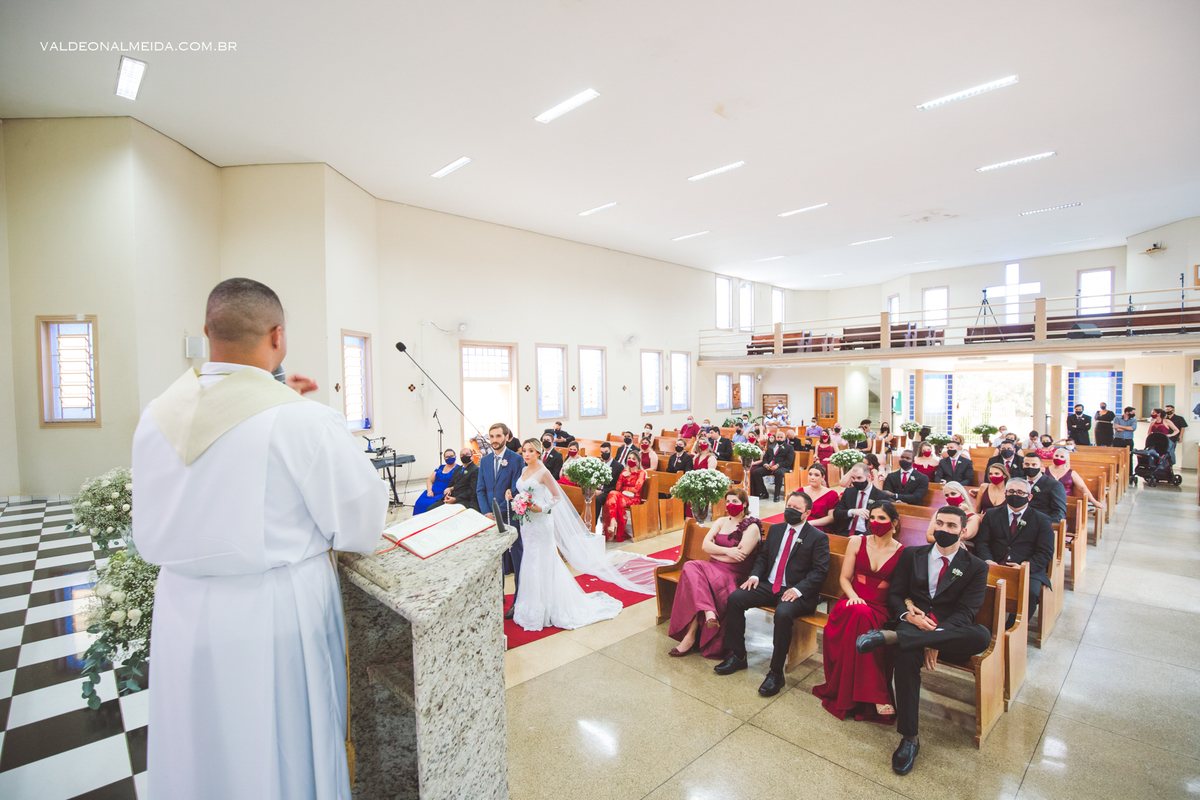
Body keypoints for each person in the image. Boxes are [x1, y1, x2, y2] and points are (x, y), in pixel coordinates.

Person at [132, 277, 388, 800]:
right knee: (278, 752)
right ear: (279, 336)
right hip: (274, 615)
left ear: (207, 332)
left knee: (198, 749)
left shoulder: (155, 416)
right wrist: (288, 410)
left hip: (182, 613)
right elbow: (360, 523)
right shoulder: (304, 421)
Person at [855, 505, 991, 776]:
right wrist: (907, 614)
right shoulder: (912, 554)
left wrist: (933, 639)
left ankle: (893, 637)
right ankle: (909, 739)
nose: (944, 530)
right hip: (913, 625)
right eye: (939, 523)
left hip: (946, 634)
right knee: (904, 658)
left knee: (981, 636)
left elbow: (966, 612)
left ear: (963, 531)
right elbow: (896, 595)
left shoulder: (975, 567)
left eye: (952, 526)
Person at [511, 439, 664, 632]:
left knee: (543, 558)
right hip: (528, 524)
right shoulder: (524, 471)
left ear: (538, 453)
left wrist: (542, 508)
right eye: (524, 451)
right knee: (530, 558)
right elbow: (523, 492)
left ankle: (549, 605)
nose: (526, 454)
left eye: (531, 451)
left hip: (541, 522)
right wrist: (516, 499)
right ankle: (531, 603)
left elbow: (556, 496)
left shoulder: (544, 472)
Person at [714, 492, 830, 697]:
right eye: (788, 506)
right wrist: (756, 576)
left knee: (783, 614)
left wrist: (798, 589)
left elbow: (819, 571)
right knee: (735, 599)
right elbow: (763, 557)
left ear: (807, 513)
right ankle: (738, 655)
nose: (790, 511)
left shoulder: (818, 538)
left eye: (796, 508)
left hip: (797, 591)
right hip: (770, 585)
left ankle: (776, 672)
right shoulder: (776, 529)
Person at [812, 502, 905, 723]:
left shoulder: (902, 552)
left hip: (881, 609)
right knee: (859, 614)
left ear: (894, 523)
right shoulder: (857, 541)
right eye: (872, 517)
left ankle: (861, 695)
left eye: (881, 518)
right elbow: (844, 578)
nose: (875, 523)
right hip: (852, 601)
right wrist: (853, 596)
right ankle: (878, 695)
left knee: (863, 618)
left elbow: (900, 590)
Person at [667, 488, 762, 658]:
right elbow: (705, 546)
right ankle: (707, 613)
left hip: (733, 574)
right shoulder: (721, 521)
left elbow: (738, 559)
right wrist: (727, 551)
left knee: (694, 573)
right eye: (728, 501)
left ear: (744, 504)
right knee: (690, 567)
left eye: (735, 502)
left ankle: (690, 636)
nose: (730, 505)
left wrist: (717, 553)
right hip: (712, 568)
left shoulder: (752, 526)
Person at [975, 478, 1054, 614]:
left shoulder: (1041, 520)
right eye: (1011, 491)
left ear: (1029, 497)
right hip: (995, 564)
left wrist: (1025, 567)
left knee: (1030, 593)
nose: (1015, 495)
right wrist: (988, 561)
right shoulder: (992, 514)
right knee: (975, 587)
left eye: (1020, 492)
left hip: (1027, 568)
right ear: (1005, 494)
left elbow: (1045, 552)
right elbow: (982, 542)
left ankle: (1012, 629)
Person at [478, 423, 526, 618]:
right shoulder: (485, 461)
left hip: (511, 516)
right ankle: (497, 597)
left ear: (506, 437)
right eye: (492, 436)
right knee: (494, 559)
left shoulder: (516, 459)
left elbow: (517, 488)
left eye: (498, 436)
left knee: (516, 558)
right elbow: (481, 489)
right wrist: (487, 512)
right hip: (491, 518)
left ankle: (518, 600)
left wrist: (505, 508)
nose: (495, 440)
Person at [833, 463, 890, 535]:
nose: (855, 481)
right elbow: (837, 513)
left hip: (867, 534)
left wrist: (861, 537)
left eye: (859, 478)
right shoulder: (849, 492)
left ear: (869, 477)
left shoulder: (881, 496)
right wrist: (852, 512)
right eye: (853, 478)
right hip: (846, 531)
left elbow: (881, 523)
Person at [603, 455, 646, 541]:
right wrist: (623, 476)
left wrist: (624, 488)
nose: (631, 460)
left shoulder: (641, 472)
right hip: (623, 496)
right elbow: (617, 488)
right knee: (612, 494)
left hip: (634, 498)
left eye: (634, 459)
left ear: (638, 462)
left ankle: (613, 527)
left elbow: (636, 489)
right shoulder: (624, 472)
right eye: (629, 458)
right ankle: (613, 522)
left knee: (612, 499)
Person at [1022, 452, 1067, 525]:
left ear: (1041, 466)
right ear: (1023, 465)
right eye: (1027, 464)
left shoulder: (1054, 485)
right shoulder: (1018, 482)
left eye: (1034, 465)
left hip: (1041, 524)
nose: (1030, 467)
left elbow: (1059, 513)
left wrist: (1045, 526)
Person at [413, 449, 462, 515]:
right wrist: (429, 491)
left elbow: (460, 483)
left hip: (444, 493)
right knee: (419, 503)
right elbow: (429, 480)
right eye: (447, 457)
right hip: (432, 492)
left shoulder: (459, 469)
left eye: (451, 456)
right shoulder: (440, 467)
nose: (449, 458)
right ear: (444, 458)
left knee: (432, 505)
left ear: (455, 457)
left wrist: (451, 488)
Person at [750, 430, 795, 501]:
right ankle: (764, 492)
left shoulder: (789, 448)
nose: (779, 439)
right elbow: (765, 458)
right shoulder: (771, 446)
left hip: (781, 467)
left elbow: (789, 461)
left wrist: (778, 465)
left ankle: (777, 495)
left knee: (778, 473)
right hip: (769, 467)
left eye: (781, 437)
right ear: (776, 438)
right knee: (756, 472)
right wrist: (765, 464)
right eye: (778, 437)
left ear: (784, 438)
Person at [800, 464, 841, 532]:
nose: (812, 477)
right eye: (810, 474)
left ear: (823, 477)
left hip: (819, 526)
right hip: (801, 523)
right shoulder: (801, 491)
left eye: (816, 475)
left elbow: (831, 518)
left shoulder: (831, 494)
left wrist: (810, 523)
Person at [441, 446, 480, 511]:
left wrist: (455, 499)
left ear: (472, 456)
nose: (464, 456)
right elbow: (452, 483)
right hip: (451, 497)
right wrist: (449, 489)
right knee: (431, 508)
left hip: (464, 500)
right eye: (462, 455)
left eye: (467, 454)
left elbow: (472, 491)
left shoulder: (476, 470)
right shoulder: (457, 470)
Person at [1113, 407, 1138, 474]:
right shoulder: (1117, 418)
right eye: (1132, 412)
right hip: (1118, 440)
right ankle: (1117, 472)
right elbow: (1116, 428)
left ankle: (1129, 474)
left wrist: (1120, 426)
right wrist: (1127, 428)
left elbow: (1132, 428)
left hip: (1128, 440)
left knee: (1129, 457)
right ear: (1127, 412)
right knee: (1116, 457)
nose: (1134, 414)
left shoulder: (1134, 420)